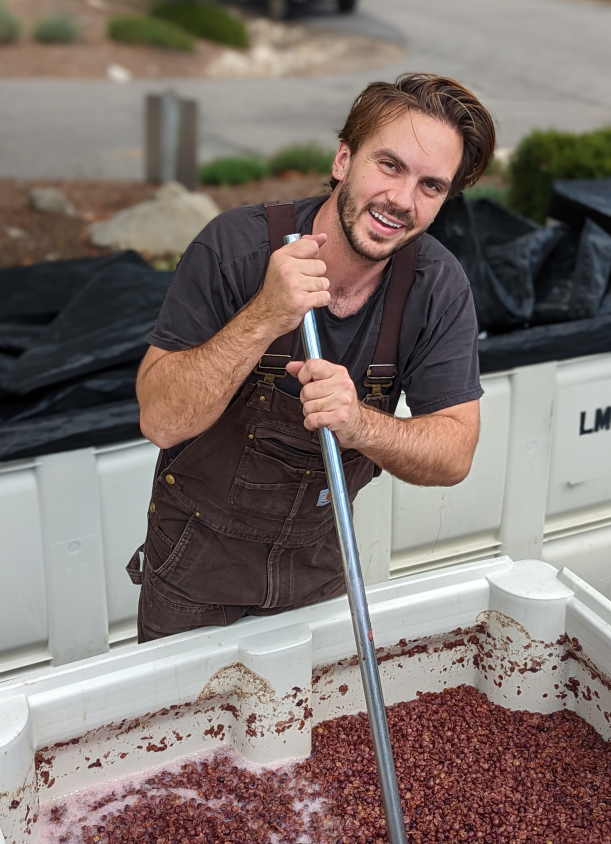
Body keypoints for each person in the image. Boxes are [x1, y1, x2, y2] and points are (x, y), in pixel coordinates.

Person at [130, 72, 496, 642]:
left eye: (431, 186)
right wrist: (265, 315)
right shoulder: (234, 249)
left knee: (309, 734)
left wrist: (360, 424)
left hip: (321, 579)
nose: (402, 200)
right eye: (390, 165)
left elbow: (454, 453)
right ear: (343, 159)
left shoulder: (436, 285)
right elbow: (161, 419)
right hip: (193, 579)